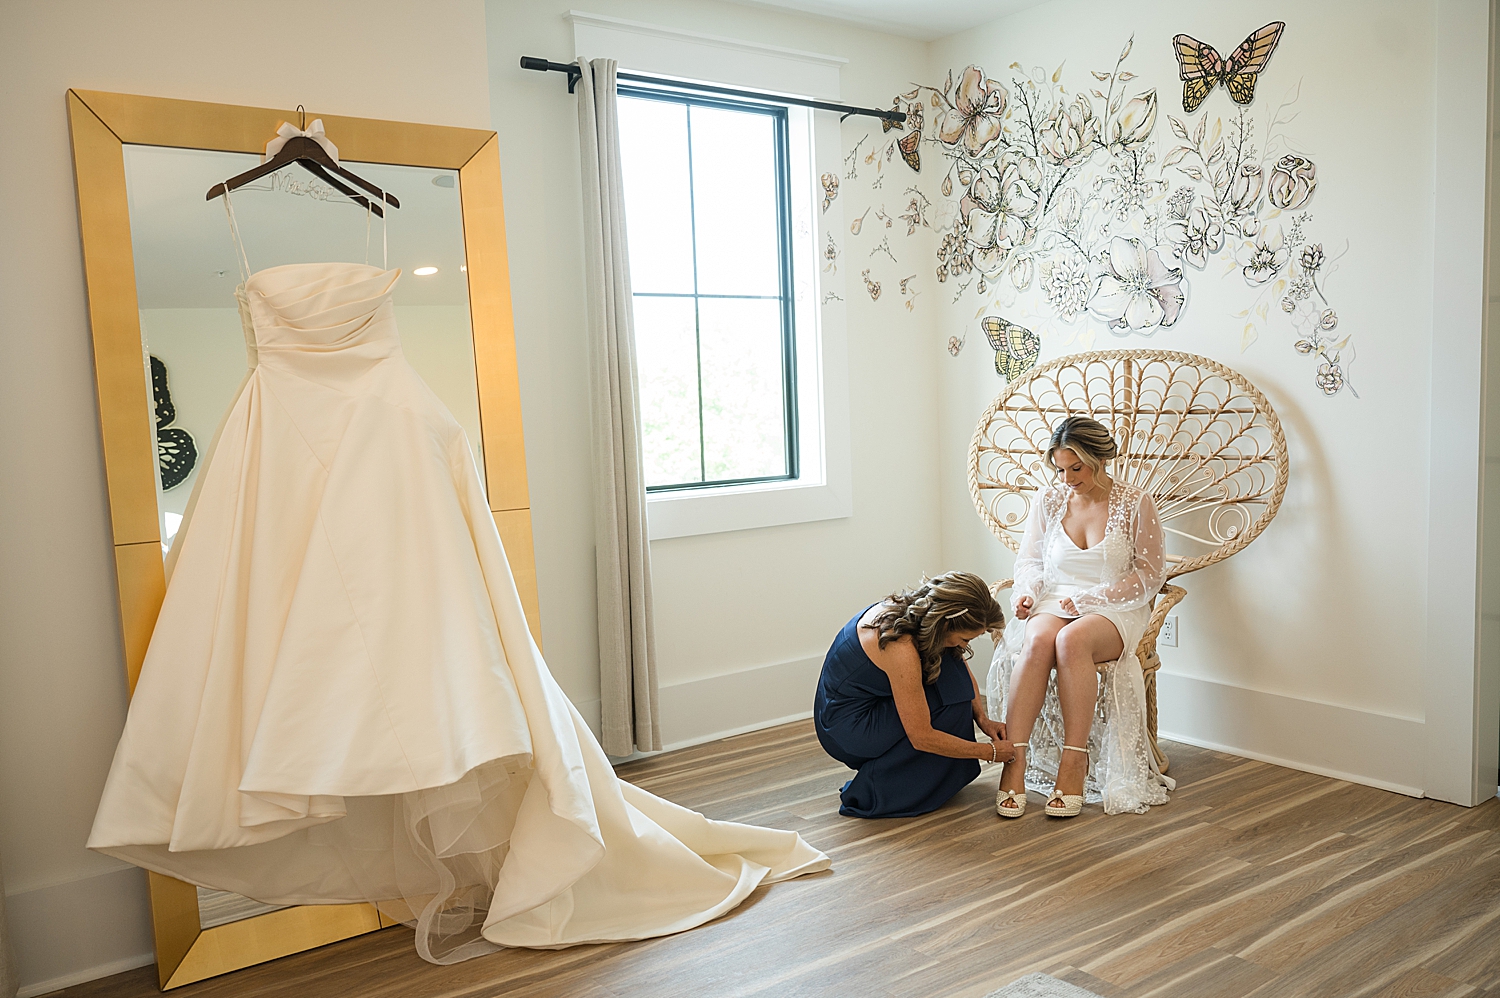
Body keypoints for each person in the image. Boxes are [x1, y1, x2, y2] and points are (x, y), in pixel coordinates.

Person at [990, 416, 1173, 818]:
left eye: (1077, 468)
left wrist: (1094, 597)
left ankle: (1074, 761)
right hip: (1055, 597)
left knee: (1070, 641)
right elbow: (1031, 561)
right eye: (1060, 468)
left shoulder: (1135, 502)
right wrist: (1027, 593)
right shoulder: (1049, 499)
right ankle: (1014, 761)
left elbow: (1149, 574)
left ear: (1100, 458)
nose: (1068, 478)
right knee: (1038, 639)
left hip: (1115, 604)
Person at [814, 572, 1013, 818]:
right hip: (847, 728)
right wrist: (989, 752)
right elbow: (921, 736)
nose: (964, 646)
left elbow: (958, 663)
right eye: (965, 638)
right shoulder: (899, 644)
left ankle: (939, 774)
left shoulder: (922, 615)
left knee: (952, 680)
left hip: (865, 705)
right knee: (948, 703)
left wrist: (982, 719)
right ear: (947, 624)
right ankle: (877, 790)